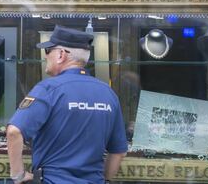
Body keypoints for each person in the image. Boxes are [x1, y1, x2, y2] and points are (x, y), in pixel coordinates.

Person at [7, 25, 128, 184]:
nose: (45, 57)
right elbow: (119, 152)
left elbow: (14, 132)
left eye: (48, 51)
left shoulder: (48, 89)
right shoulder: (109, 94)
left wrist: (18, 175)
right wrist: (104, 179)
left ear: (61, 54)